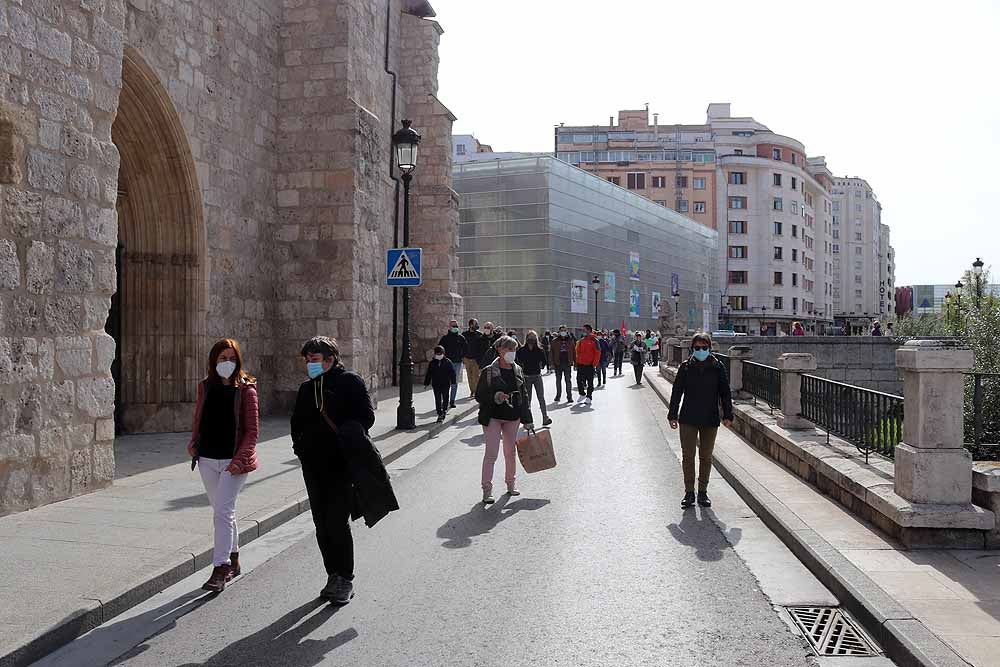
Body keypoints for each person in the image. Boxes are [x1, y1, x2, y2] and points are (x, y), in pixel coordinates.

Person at [291, 336, 397, 605]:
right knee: (321, 524)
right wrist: (300, 449)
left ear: (330, 359)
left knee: (337, 522)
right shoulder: (306, 389)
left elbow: (367, 417)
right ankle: (332, 575)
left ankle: (345, 578)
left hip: (341, 465)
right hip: (314, 467)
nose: (309, 364)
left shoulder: (349, 382)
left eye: (314, 359)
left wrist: (346, 433)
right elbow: (297, 423)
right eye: (307, 359)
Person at [187, 338, 259, 593]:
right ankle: (235, 557)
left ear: (238, 360)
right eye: (221, 359)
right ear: (213, 362)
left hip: (233, 462)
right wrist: (194, 442)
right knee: (222, 510)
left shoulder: (247, 389)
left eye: (231, 358)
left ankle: (221, 567)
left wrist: (239, 460)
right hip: (207, 458)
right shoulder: (205, 387)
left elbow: (252, 432)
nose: (227, 363)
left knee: (222, 513)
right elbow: (199, 417)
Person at [668, 333, 734, 510]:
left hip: (710, 418)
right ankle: (689, 492)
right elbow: (676, 392)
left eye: (704, 348)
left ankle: (702, 492)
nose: (701, 351)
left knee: (706, 457)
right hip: (688, 418)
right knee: (688, 457)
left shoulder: (718, 367)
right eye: (697, 348)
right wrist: (672, 415)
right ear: (692, 349)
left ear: (709, 348)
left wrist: (728, 414)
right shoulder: (685, 367)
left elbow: (725, 392)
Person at [476, 336, 534, 504]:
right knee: (491, 453)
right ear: (500, 350)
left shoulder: (518, 370)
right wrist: (495, 396)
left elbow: (524, 396)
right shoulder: (488, 371)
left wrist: (527, 419)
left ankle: (511, 484)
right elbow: (479, 395)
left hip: (513, 417)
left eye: (514, 349)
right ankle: (487, 490)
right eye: (509, 349)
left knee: (510, 452)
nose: (512, 353)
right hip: (493, 416)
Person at [516, 330, 552, 426]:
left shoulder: (539, 350)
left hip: (537, 376)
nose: (531, 339)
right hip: (526, 377)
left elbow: (544, 361)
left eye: (533, 337)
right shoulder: (521, 350)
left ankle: (545, 418)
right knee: (528, 400)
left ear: (536, 339)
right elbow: (517, 362)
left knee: (541, 397)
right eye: (529, 337)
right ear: (526, 338)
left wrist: (541, 365)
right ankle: (528, 421)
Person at [437, 319, 467, 409]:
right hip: (446, 364)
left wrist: (461, 356)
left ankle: (452, 400)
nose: (455, 328)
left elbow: (466, 348)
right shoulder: (444, 339)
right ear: (449, 327)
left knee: (454, 382)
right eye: (453, 326)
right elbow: (439, 349)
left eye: (456, 326)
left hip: (457, 363)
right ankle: (444, 401)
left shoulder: (461, 338)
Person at [425, 345, 457, 422]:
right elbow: (429, 373)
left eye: (440, 354)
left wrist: (453, 382)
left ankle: (444, 410)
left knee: (445, 397)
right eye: (437, 354)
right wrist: (426, 382)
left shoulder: (448, 362)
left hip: (445, 383)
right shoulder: (432, 363)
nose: (439, 355)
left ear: (443, 353)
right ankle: (439, 413)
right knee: (437, 399)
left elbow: (452, 373)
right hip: (436, 384)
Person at [574, 324, 601, 405]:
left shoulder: (595, 340)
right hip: (580, 364)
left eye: (584, 330)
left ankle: (589, 397)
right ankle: (582, 394)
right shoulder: (581, 340)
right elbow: (577, 352)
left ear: (589, 330)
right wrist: (576, 363)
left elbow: (598, 353)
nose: (583, 331)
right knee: (579, 380)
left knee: (590, 382)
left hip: (589, 365)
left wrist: (594, 364)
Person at [549, 324, 575, 403]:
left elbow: (574, 352)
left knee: (568, 380)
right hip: (558, 363)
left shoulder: (570, 340)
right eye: (562, 330)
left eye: (564, 330)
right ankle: (558, 395)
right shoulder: (554, 341)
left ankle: (569, 397)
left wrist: (575, 363)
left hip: (567, 362)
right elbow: (551, 353)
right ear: (559, 331)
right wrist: (552, 364)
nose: (563, 332)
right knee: (558, 380)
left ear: (566, 331)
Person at [463, 318, 488, 396]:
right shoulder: (464, 335)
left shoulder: (479, 335)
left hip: (475, 359)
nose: (477, 325)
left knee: (476, 376)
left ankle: (476, 391)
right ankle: (472, 391)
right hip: (466, 358)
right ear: (470, 325)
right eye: (475, 324)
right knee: (469, 376)